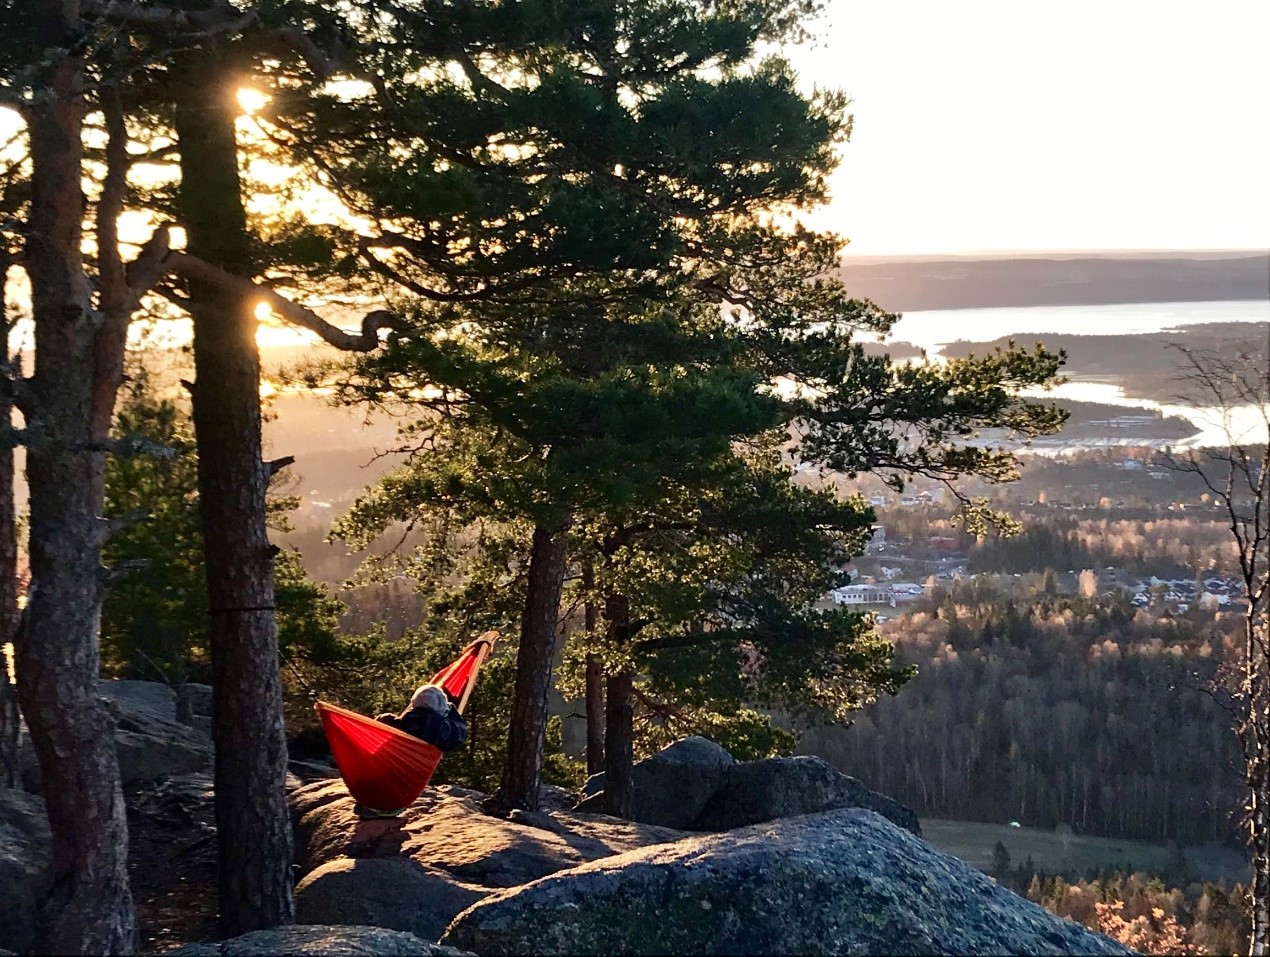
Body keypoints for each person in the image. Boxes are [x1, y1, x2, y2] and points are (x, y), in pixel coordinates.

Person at [376, 683, 468, 752]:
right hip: (421, 772)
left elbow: (380, 728)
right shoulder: (445, 732)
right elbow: (460, 732)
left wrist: (384, 718)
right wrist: (450, 709)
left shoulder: (405, 724)